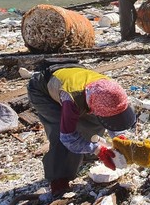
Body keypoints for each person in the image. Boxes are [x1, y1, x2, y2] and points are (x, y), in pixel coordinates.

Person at [27, 62, 137, 197]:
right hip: (43, 90)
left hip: (72, 76)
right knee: (60, 133)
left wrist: (120, 138)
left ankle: (85, 154)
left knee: (95, 121)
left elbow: (113, 114)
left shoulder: (111, 90)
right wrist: (98, 149)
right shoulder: (72, 100)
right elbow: (68, 137)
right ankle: (59, 178)